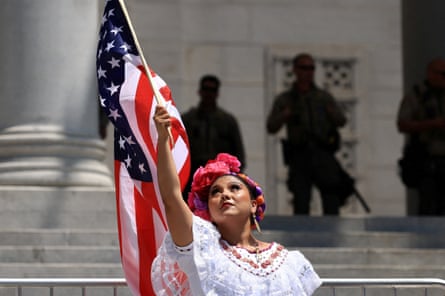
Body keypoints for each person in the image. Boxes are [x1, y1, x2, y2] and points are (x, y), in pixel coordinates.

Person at [151, 105, 322, 295]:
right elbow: (172, 198)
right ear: (208, 210)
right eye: (215, 192)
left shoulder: (290, 262)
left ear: (253, 204)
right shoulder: (201, 248)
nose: (225, 194)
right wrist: (164, 140)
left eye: (235, 188)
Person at [266, 53, 347, 215]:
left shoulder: (323, 97)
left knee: (331, 198)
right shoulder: (287, 99)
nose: (308, 72)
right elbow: (271, 126)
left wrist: (331, 114)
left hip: (323, 153)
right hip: (299, 154)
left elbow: (341, 120)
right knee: (301, 200)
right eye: (304, 68)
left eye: (311, 68)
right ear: (295, 70)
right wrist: (284, 115)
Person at [182, 74, 246, 201]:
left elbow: (239, 154)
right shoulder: (188, 120)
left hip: (221, 177)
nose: (209, 94)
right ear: (200, 92)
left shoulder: (227, 121)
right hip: (193, 176)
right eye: (206, 89)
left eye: (212, 90)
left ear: (217, 93)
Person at [397, 57, 445, 216]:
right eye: (442, 74)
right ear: (430, 74)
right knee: (428, 206)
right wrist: (432, 124)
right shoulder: (417, 95)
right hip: (426, 158)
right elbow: (402, 124)